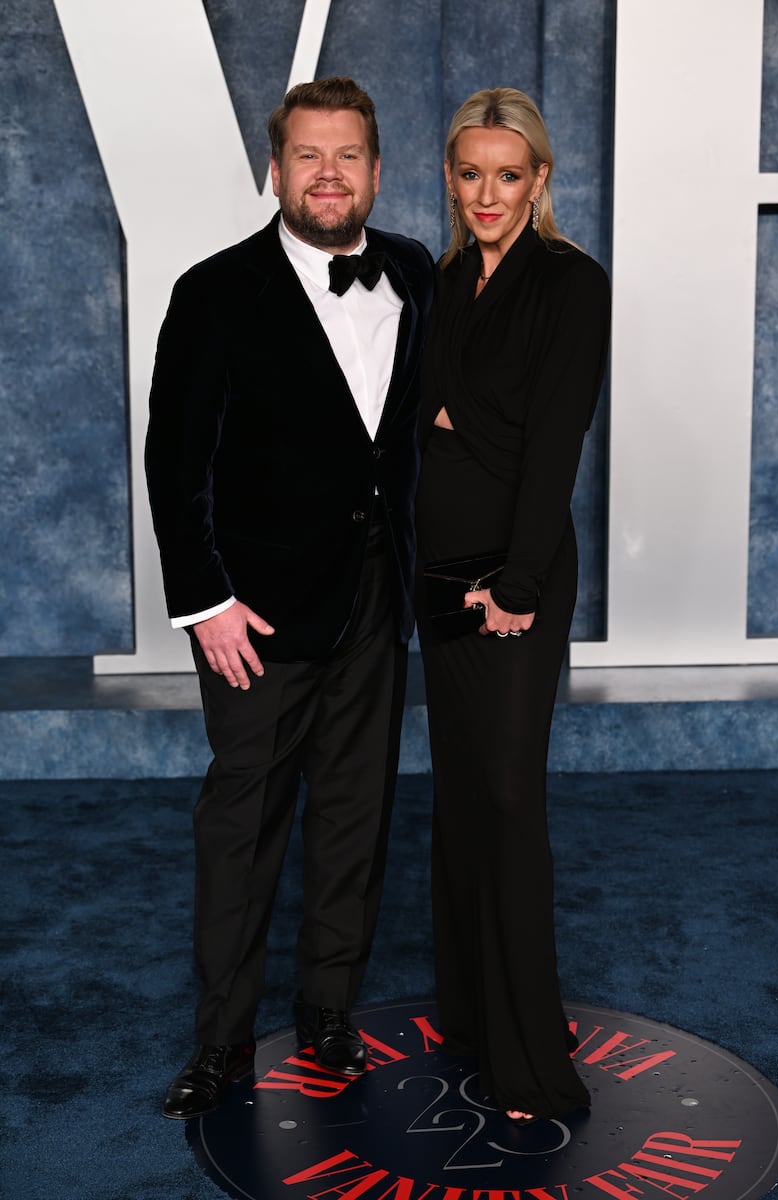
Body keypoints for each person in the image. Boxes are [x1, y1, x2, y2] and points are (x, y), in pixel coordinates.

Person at [145, 76, 433, 1120]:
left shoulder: (411, 272)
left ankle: (326, 1018)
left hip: (373, 604)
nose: (326, 173)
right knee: (243, 827)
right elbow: (174, 463)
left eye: (345, 155)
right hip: (255, 620)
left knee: (354, 822)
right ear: (276, 171)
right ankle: (220, 1044)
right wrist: (205, 600)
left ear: (373, 169)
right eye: (306, 156)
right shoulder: (214, 291)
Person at [415, 88, 610, 1124]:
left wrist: (518, 585)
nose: (485, 194)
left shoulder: (571, 284)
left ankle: (529, 1052)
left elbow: (553, 443)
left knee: (504, 797)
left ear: (536, 179)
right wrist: (449, 418)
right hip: (437, 573)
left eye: (506, 174)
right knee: (455, 796)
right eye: (468, 173)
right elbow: (422, 418)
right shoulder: (443, 279)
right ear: (449, 179)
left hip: (513, 573)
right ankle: (474, 1011)